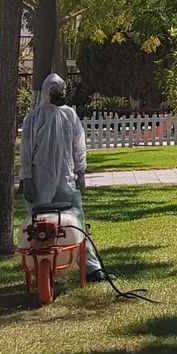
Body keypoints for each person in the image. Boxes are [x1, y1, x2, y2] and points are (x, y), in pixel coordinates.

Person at [18, 73, 106, 282]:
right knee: (40, 228)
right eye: (55, 92)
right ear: (47, 93)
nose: (60, 95)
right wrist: (27, 178)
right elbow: (26, 151)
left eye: (62, 91)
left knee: (76, 222)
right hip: (41, 181)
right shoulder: (34, 119)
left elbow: (78, 144)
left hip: (66, 178)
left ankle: (91, 268)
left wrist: (81, 171)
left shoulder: (69, 115)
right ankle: (44, 268)